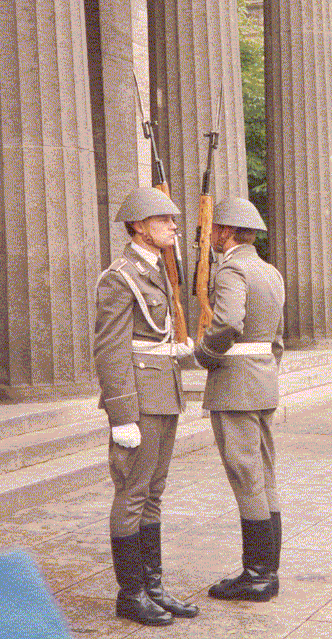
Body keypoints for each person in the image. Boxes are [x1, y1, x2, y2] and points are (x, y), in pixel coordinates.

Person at [93, 188, 198, 626]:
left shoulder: (157, 269)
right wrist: (122, 415)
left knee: (154, 492)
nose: (174, 225)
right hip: (138, 395)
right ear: (138, 226)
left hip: (163, 390)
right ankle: (130, 593)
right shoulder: (120, 277)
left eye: (173, 219)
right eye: (164, 219)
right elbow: (108, 348)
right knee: (133, 494)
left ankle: (152, 587)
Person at [193, 197, 285, 603]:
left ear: (227, 232)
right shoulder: (269, 271)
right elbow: (276, 338)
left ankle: (258, 575)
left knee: (246, 474)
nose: (209, 236)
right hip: (261, 379)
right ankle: (267, 569)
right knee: (263, 475)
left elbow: (228, 321)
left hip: (234, 384)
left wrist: (204, 354)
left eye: (213, 230)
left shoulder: (232, 268)